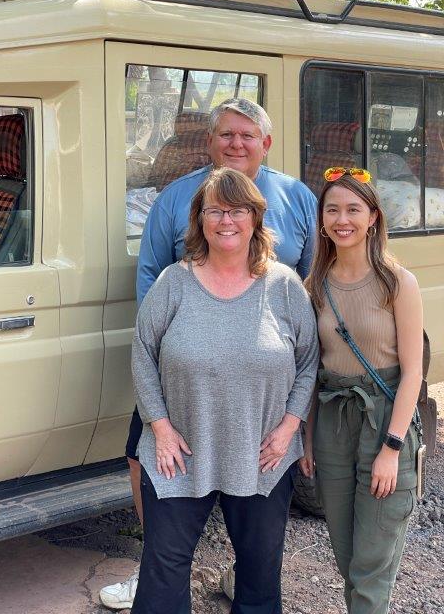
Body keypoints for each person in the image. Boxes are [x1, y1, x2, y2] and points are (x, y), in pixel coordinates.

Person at [100, 97, 317, 610]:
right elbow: (147, 318)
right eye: (227, 134)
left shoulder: (294, 219)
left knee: (260, 569)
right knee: (164, 555)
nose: (226, 221)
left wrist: (291, 425)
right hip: (183, 405)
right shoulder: (174, 215)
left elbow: (311, 321)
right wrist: (160, 417)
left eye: (248, 135)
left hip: (261, 429)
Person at [300, 167, 423, 614]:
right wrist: (309, 436)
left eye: (353, 208)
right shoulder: (314, 286)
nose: (342, 219)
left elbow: (413, 372)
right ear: (322, 219)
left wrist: (391, 447)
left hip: (383, 420)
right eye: (332, 209)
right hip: (332, 422)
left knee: (372, 560)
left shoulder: (397, 283)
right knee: (346, 555)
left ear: (372, 216)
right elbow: (312, 369)